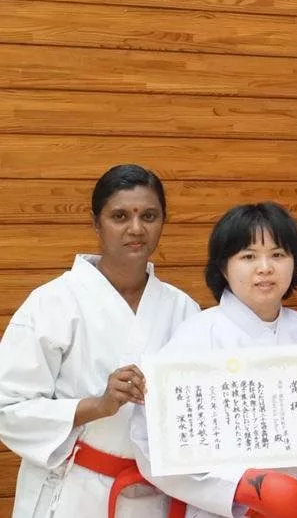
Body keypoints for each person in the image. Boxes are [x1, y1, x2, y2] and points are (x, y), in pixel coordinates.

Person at [131, 203, 297, 518]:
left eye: (278, 255)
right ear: (224, 267)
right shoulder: (195, 338)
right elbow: (150, 442)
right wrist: (242, 488)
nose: (265, 268)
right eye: (248, 256)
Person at [0, 164, 199, 518]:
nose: (136, 228)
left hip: (158, 496)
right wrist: (99, 405)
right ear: (96, 223)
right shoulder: (53, 302)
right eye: (120, 216)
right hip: (74, 491)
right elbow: (8, 409)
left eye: (149, 216)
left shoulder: (183, 309)